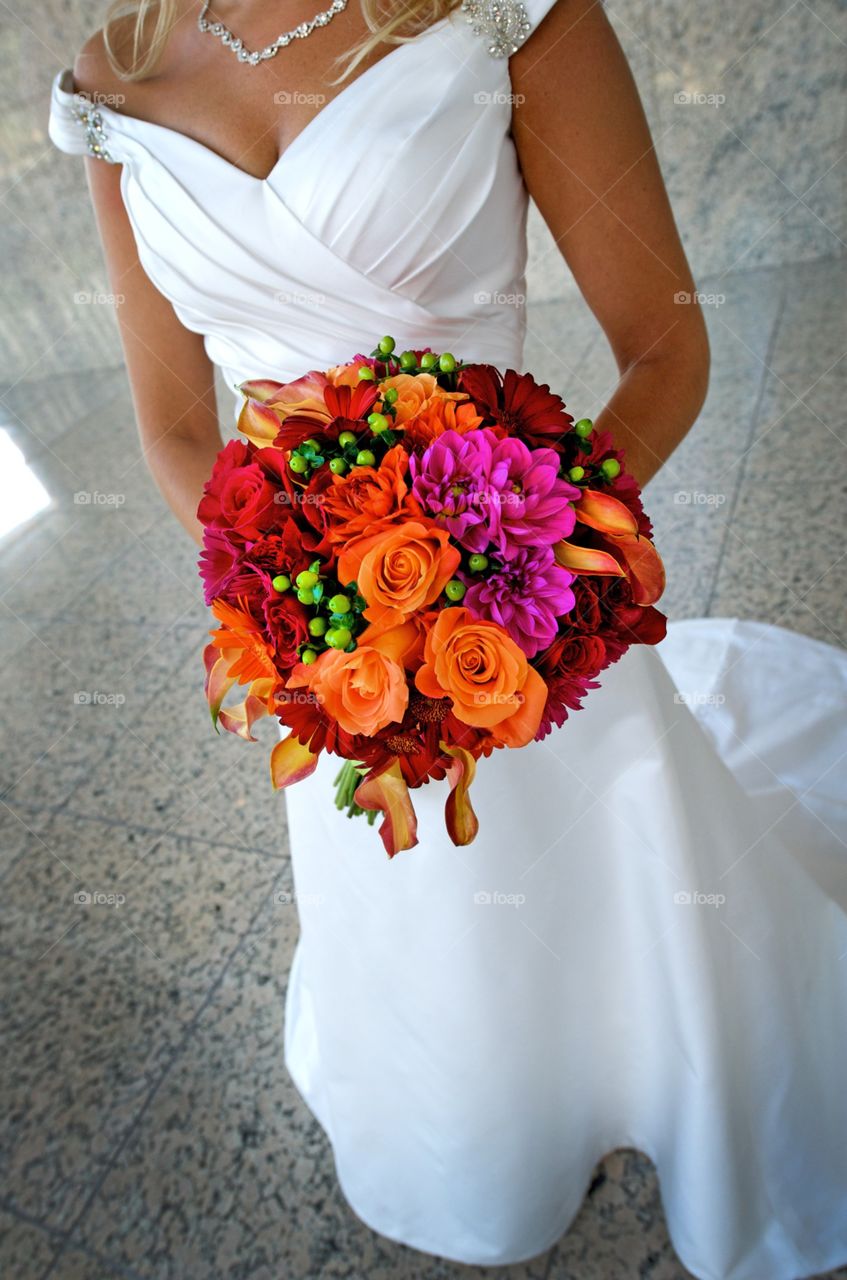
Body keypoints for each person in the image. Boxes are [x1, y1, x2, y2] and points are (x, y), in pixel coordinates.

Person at [47, 2, 847, 1276]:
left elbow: (666, 347)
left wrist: (524, 572)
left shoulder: (506, 15)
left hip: (526, 613)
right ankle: (479, 1127)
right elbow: (176, 430)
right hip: (328, 653)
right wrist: (292, 605)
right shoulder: (110, 80)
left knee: (603, 876)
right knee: (416, 915)